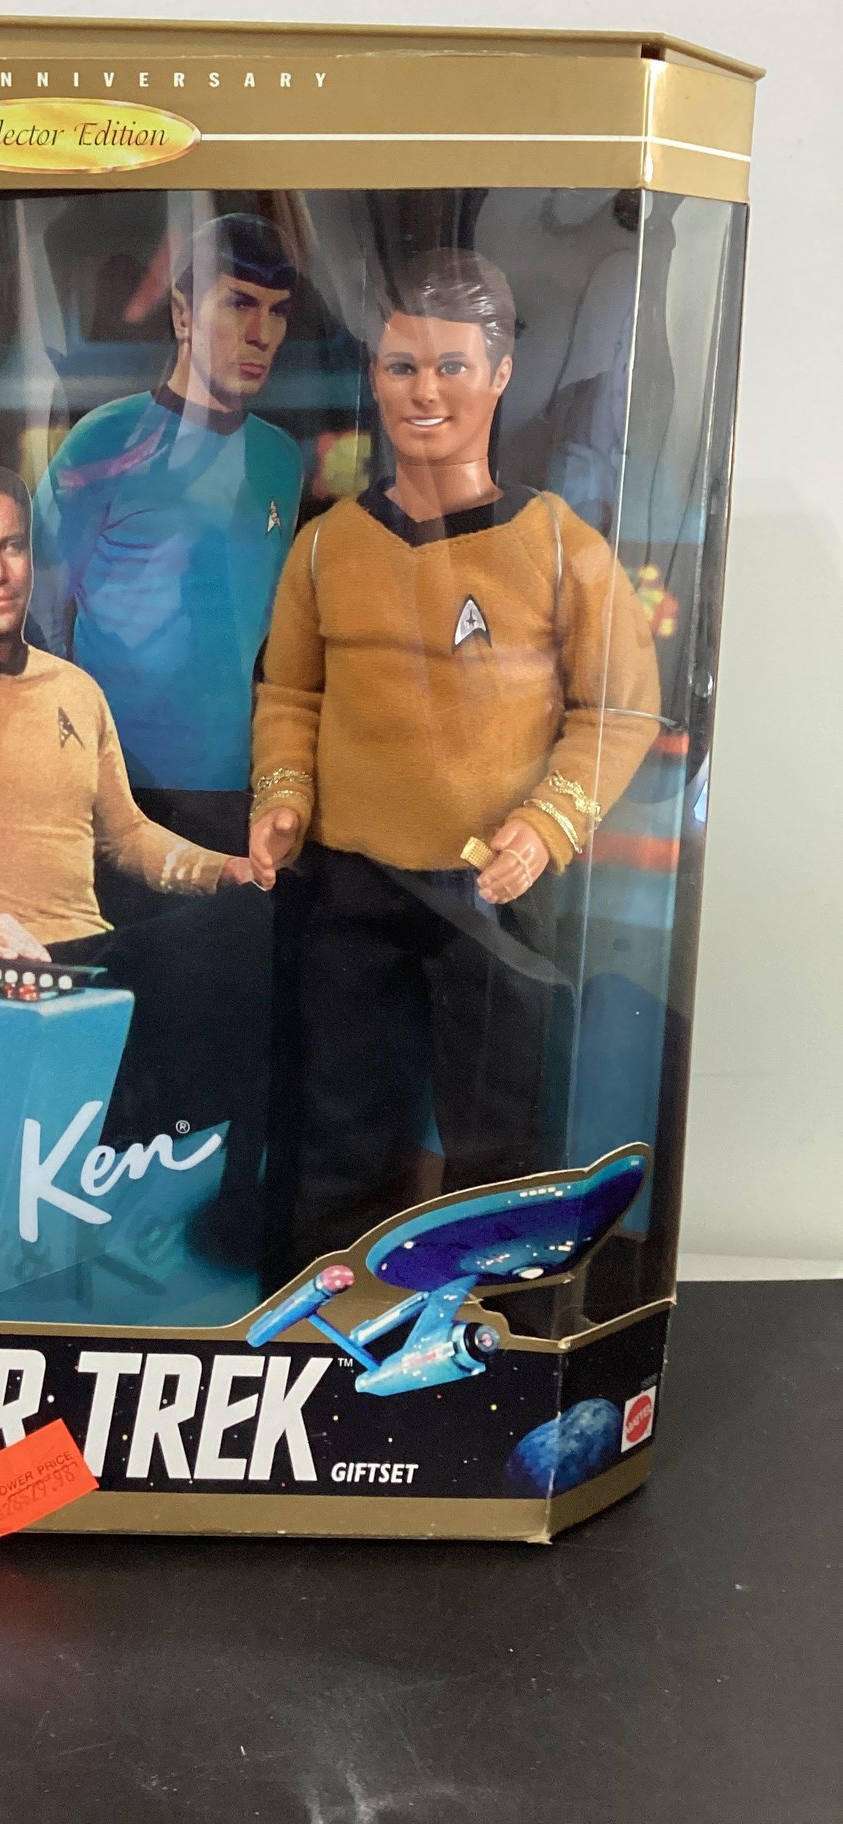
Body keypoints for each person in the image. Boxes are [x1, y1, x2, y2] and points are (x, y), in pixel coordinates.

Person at [249, 247, 661, 1276]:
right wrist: (285, 794)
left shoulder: (558, 546)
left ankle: (498, 1316)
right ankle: (333, 1306)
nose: (424, 391)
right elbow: (289, 692)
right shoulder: (329, 544)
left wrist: (549, 822)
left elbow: (619, 708)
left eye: (450, 366)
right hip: (352, 883)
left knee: (498, 1134)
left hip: (492, 894)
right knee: (342, 1124)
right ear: (375, 375)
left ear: (500, 373)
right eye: (401, 366)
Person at [0, 464, 271, 1244]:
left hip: (87, 962)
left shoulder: (76, 689)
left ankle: (227, 1215)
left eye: (11, 546)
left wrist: (227, 870)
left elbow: (128, 835)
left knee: (258, 923)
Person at [29, 213, 303, 872]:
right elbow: (35, 612)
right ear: (182, 314)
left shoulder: (280, 459)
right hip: (112, 786)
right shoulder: (104, 439)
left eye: (277, 311)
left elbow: (266, 631)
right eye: (238, 304)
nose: (261, 334)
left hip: (234, 785)